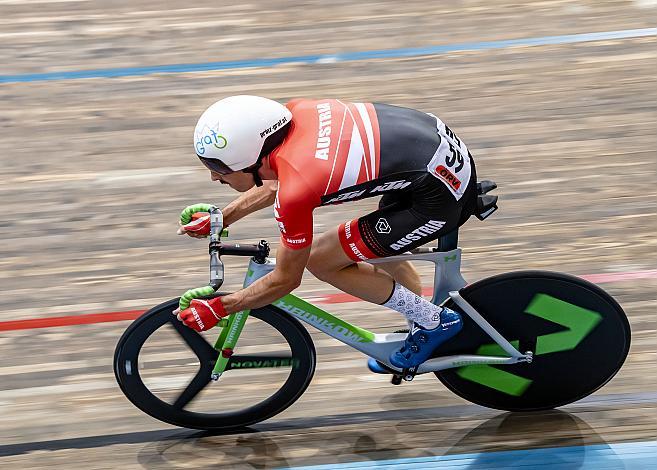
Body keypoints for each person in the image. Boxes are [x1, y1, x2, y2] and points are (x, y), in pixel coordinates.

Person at [176, 95, 478, 370]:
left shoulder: (296, 189)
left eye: (219, 167)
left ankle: (433, 322)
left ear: (251, 158)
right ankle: (421, 321)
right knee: (370, 245)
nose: (214, 176)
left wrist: (221, 307)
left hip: (437, 197)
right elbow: (275, 177)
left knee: (321, 260)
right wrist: (223, 217)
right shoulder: (294, 113)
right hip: (435, 155)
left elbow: (286, 279)